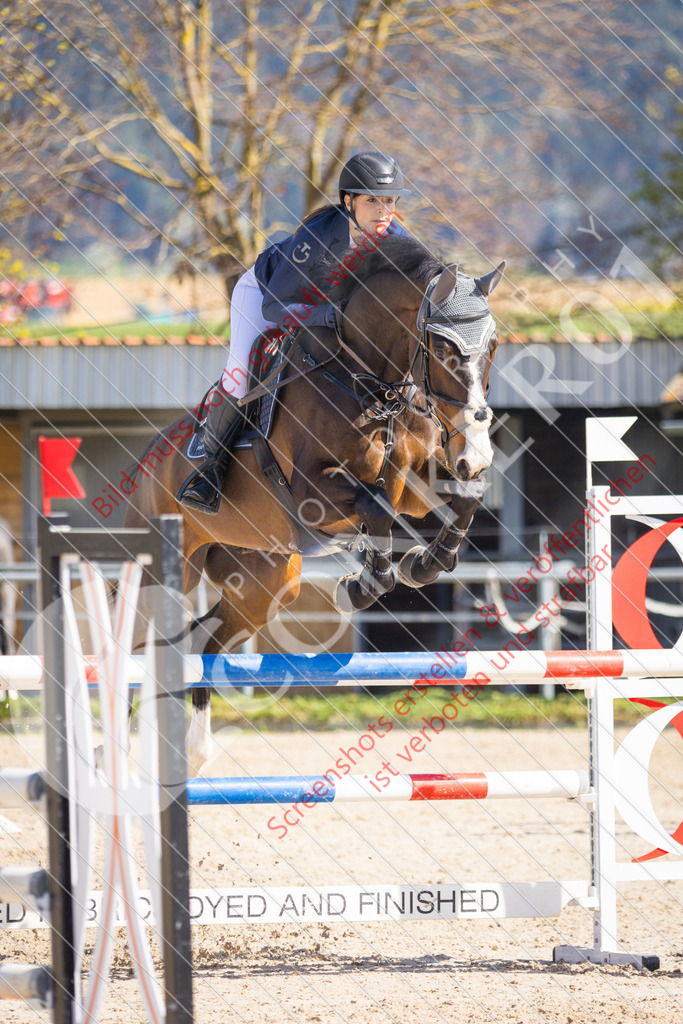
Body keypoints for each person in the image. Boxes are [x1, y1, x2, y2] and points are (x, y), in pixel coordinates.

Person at [178, 151, 410, 514]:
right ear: (348, 202)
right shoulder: (315, 240)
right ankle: (210, 470)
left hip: (326, 311)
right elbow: (274, 307)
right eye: (372, 201)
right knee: (241, 377)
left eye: (390, 201)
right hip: (263, 295)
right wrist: (328, 315)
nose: (384, 211)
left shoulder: (395, 235)